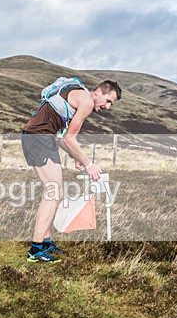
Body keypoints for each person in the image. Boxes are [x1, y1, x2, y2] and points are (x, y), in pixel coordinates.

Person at [21, 77, 121, 263]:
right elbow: (69, 139)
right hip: (39, 137)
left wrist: (78, 159)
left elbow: (61, 138)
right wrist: (89, 165)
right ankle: (35, 250)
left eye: (111, 104)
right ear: (98, 91)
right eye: (108, 101)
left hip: (41, 137)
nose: (108, 107)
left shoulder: (77, 95)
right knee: (54, 193)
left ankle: (45, 242)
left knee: (53, 192)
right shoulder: (86, 101)